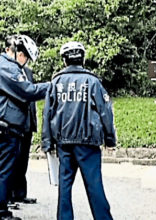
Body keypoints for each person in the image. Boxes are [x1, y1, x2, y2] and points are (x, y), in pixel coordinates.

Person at [41, 41, 116, 220]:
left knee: (64, 187)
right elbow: (105, 112)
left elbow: (47, 114)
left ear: (65, 61)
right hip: (88, 142)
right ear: (83, 59)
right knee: (94, 185)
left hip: (63, 143)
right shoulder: (93, 82)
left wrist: (47, 142)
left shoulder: (56, 82)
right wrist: (110, 139)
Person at [0, 35, 49, 220]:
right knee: (4, 171)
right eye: (26, 57)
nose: (26, 61)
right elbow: (28, 91)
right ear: (19, 54)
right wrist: (53, 86)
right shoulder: (7, 67)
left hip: (9, 126)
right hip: (6, 128)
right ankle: (1, 211)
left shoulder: (8, 66)